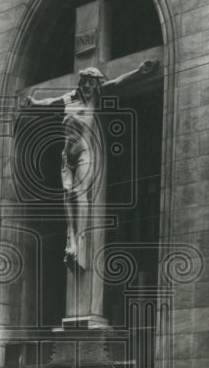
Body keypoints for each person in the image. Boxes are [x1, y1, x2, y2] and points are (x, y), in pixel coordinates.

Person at [21, 60, 158, 271]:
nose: (86, 86)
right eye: (84, 82)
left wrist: (139, 72)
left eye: (90, 83)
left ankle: (80, 238)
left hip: (84, 151)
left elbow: (118, 82)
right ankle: (71, 238)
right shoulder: (69, 98)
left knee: (78, 192)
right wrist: (34, 103)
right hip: (67, 153)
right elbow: (50, 102)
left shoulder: (94, 98)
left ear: (95, 86)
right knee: (66, 192)